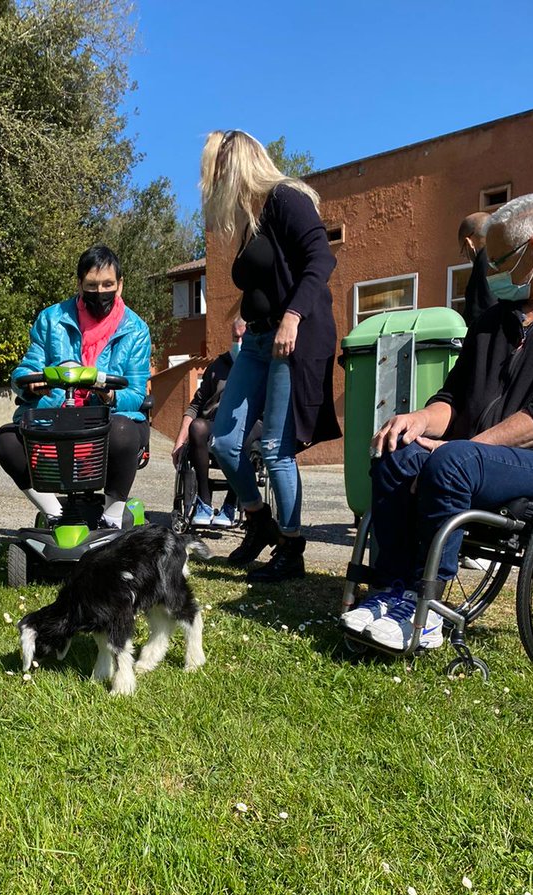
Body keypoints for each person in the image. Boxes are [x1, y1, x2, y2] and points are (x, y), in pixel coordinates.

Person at [341, 193, 533, 651]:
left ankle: (425, 608)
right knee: (394, 448)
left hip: (527, 462)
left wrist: (463, 448)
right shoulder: (493, 322)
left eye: (503, 261)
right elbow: (452, 398)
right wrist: (418, 419)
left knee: (452, 461)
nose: (493, 274)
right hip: (477, 456)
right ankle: (390, 592)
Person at [201, 130, 340, 580]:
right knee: (223, 441)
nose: (214, 182)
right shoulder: (250, 218)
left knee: (277, 450)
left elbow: (321, 259)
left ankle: (292, 548)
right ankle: (259, 522)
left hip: (292, 336)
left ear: (237, 164)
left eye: (218, 171)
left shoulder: (285, 199)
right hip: (257, 342)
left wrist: (293, 316)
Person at [0, 245, 151, 528]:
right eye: (92, 286)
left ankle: (112, 518)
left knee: (123, 431)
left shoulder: (137, 329)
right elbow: (25, 370)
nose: (100, 292)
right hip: (57, 413)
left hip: (107, 419)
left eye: (107, 285)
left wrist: (110, 395)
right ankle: (56, 514)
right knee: (7, 440)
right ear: (79, 284)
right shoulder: (51, 318)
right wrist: (31, 386)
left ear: (120, 285)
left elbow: (136, 392)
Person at [171, 317, 244, 527]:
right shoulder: (217, 366)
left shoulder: (259, 366)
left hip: (245, 425)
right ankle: (204, 501)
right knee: (198, 426)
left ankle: (231, 504)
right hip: (214, 424)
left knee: (244, 433)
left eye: (243, 337)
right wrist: (179, 442)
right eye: (235, 337)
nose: (238, 342)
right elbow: (195, 405)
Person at [458, 211, 495, 328]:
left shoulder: (484, 258)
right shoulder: (509, 253)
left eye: (463, 253)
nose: (467, 258)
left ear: (469, 243)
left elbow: (478, 311)